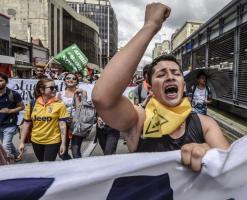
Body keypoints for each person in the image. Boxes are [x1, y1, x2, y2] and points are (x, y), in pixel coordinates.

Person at [92, 3, 229, 172]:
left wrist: (211, 153)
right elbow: (103, 99)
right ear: (150, 89)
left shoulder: (205, 124)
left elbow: (231, 166)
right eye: (161, 74)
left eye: (176, 73)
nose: (170, 76)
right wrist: (150, 26)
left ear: (183, 84)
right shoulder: (139, 120)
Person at [18, 79, 69, 162]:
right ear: (41, 90)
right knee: (41, 163)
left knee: (47, 164)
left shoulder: (60, 104)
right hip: (36, 141)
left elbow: (63, 125)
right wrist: (22, 142)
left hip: (53, 141)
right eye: (52, 88)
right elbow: (26, 124)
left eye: (55, 87)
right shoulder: (32, 104)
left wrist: (63, 144)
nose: (55, 89)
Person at [57, 73, 87, 159]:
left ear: (77, 82)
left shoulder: (82, 93)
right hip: (63, 125)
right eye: (68, 78)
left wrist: (77, 96)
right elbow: (57, 110)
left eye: (74, 79)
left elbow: (81, 109)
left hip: (77, 125)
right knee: (62, 153)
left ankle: (79, 170)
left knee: (76, 152)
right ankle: (70, 166)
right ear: (64, 81)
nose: (71, 80)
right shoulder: (60, 94)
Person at [0, 72, 25, 161]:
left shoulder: (13, 94)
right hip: (0, 124)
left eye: (1, 81)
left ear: (6, 82)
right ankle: (16, 155)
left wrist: (10, 111)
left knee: (5, 146)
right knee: (7, 143)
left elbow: (22, 107)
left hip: (10, 124)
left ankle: (7, 165)